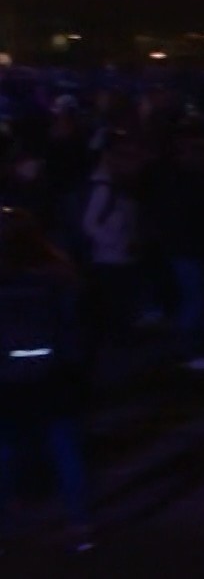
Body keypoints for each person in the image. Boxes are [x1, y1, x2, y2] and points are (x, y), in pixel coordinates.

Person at [0, 206, 93, 552]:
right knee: (66, 447)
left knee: (5, 451)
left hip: (6, 376)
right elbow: (77, 326)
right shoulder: (59, 274)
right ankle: (80, 524)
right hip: (55, 372)